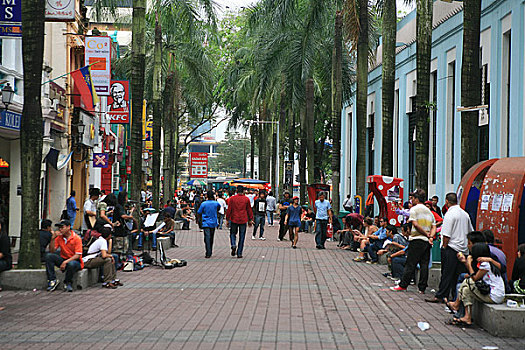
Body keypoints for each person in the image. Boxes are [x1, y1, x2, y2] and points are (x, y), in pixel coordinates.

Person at [425, 193, 473, 303]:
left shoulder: (449, 215)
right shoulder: (465, 214)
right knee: (457, 275)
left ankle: (441, 295)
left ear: (447, 202)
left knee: (446, 273)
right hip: (463, 249)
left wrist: (444, 247)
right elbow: (471, 231)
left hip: (451, 248)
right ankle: (455, 295)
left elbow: (446, 235)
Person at [446, 243, 505, 327]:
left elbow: (474, 278)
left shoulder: (485, 264)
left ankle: (456, 304)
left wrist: (469, 263)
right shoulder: (488, 263)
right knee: (466, 290)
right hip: (495, 294)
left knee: (468, 281)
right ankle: (467, 317)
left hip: (494, 296)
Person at [391, 189, 436, 293]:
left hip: (416, 239)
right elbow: (433, 226)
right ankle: (422, 288)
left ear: (416, 199)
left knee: (410, 263)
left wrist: (425, 234)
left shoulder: (414, 210)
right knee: (424, 264)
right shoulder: (429, 212)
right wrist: (430, 237)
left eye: (412, 199)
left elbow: (415, 224)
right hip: (426, 241)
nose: (411, 201)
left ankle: (403, 285)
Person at [45, 220, 84, 292]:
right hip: (64, 259)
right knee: (49, 256)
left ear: (68, 227)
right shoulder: (59, 238)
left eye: (62, 227)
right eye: (59, 228)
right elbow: (52, 251)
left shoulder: (76, 238)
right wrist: (53, 239)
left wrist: (65, 262)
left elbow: (78, 255)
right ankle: (52, 280)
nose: (60, 229)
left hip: (75, 261)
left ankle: (68, 282)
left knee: (71, 264)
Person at [226, 186, 253, 259]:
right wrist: (250, 219)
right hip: (243, 219)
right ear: (243, 191)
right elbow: (249, 210)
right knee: (242, 236)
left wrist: (227, 219)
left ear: (236, 190)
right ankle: (239, 253)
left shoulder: (232, 199)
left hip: (234, 218)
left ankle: (233, 244)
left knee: (232, 233)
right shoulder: (246, 199)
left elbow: (229, 209)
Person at [197, 191, 221, 258]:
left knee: (207, 237)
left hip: (206, 222)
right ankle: (210, 249)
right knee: (211, 237)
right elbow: (219, 209)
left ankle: (208, 252)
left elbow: (199, 212)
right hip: (213, 222)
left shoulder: (203, 204)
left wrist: (198, 220)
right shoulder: (216, 203)